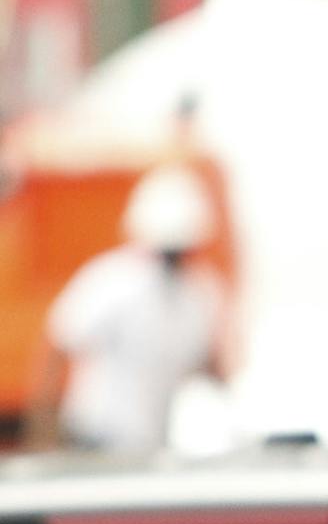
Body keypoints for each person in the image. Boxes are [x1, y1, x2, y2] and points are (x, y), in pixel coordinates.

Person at [26, 165, 232, 456]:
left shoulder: (200, 293)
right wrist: (42, 436)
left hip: (151, 445)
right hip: (94, 439)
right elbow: (57, 346)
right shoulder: (113, 281)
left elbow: (212, 368)